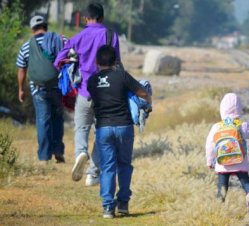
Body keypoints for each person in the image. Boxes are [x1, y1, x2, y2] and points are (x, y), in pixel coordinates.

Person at [54, 3, 121, 186]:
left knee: (81, 128)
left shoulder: (78, 37)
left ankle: (80, 153)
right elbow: (118, 64)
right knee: (102, 133)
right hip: (106, 95)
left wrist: (73, 60)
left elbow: (58, 61)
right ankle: (93, 173)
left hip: (85, 92)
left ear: (85, 18)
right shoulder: (110, 35)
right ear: (102, 17)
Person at [87, 45, 151, 218]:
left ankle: (108, 207)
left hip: (103, 128)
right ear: (115, 61)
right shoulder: (121, 76)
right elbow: (142, 92)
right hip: (124, 126)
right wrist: (147, 102)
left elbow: (94, 99)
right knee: (124, 165)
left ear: (96, 62)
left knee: (107, 167)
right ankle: (123, 203)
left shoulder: (91, 81)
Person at [205, 93, 249, 221]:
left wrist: (210, 161)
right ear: (239, 109)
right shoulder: (242, 125)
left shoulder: (217, 127)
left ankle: (220, 207)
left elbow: (209, 145)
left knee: (222, 187)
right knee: (246, 183)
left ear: (222, 109)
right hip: (240, 162)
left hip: (223, 164)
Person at [16, 15, 66, 164]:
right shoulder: (59, 40)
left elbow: (22, 70)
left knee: (43, 121)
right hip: (58, 87)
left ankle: (44, 157)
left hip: (39, 89)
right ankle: (58, 151)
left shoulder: (26, 46)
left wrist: (21, 89)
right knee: (57, 118)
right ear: (45, 26)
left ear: (32, 29)